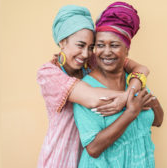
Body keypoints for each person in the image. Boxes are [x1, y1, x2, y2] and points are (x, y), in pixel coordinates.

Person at [37, 5, 151, 168]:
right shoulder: (48, 73)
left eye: (91, 47)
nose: (85, 54)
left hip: (90, 159)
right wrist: (131, 99)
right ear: (62, 41)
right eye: (80, 45)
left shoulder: (90, 61)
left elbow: (141, 69)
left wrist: (130, 92)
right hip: (61, 155)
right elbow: (93, 99)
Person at [73, 2, 164, 167]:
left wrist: (152, 101)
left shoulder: (134, 81)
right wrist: (130, 113)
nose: (106, 52)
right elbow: (93, 148)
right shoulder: (87, 88)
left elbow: (157, 121)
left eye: (114, 45)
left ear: (127, 50)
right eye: (100, 45)